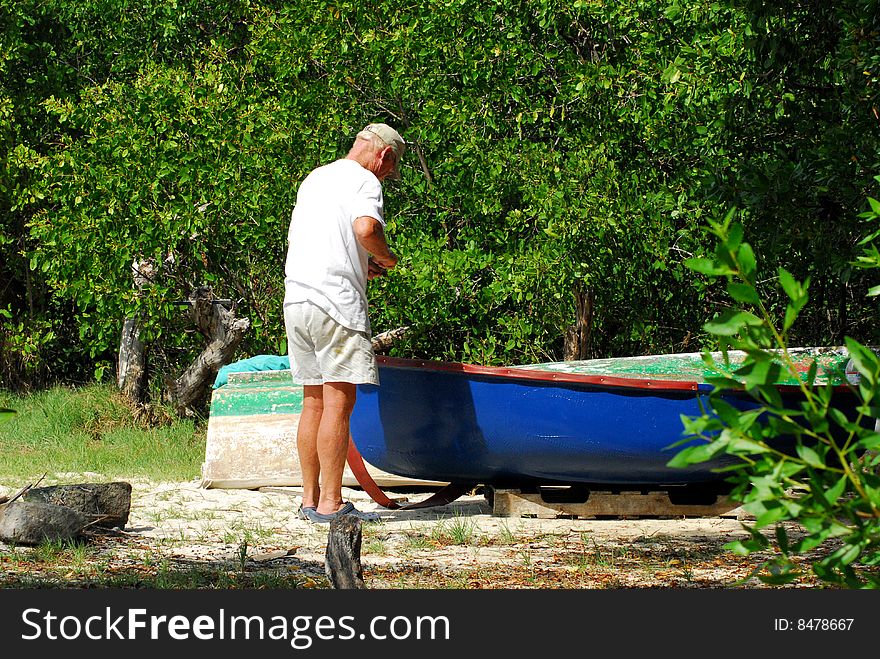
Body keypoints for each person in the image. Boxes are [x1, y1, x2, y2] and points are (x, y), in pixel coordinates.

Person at [283, 123, 405, 523]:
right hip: (335, 303)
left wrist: (360, 262)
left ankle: (309, 499)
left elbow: (325, 239)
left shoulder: (316, 178)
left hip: (297, 298)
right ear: (383, 156)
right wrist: (385, 258)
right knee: (339, 402)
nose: (388, 175)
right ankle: (332, 503)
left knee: (312, 400)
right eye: (392, 167)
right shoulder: (365, 180)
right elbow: (365, 228)